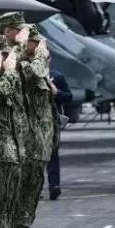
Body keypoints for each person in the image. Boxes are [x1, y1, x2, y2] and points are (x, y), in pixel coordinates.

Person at [47, 69, 72, 200]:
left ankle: (54, 186)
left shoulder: (57, 76)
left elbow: (69, 97)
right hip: (32, 122)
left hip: (51, 121)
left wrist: (57, 92)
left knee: (53, 154)